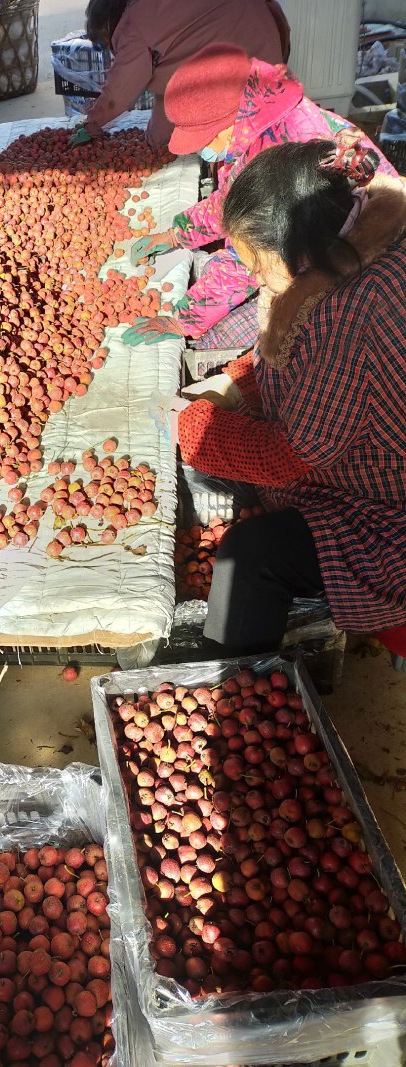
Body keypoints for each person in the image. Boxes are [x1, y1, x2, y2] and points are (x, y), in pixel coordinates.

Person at [170, 135, 406, 656]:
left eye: (256, 265)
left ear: (295, 248)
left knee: (249, 554)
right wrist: (236, 381)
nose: (254, 278)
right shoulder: (355, 241)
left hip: (388, 510)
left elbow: (289, 457)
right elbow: (281, 356)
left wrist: (193, 428)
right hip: (362, 460)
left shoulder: (352, 310)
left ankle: (230, 693)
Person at [124, 44, 398, 350]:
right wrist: (176, 234)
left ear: (233, 120)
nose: (204, 150)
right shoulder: (261, 125)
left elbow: (255, 255)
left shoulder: (291, 145)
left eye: (207, 139)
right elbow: (231, 201)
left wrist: (186, 320)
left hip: (354, 259)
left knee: (267, 338)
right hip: (310, 244)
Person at [70, 0, 289, 149]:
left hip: (248, 49)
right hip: (254, 30)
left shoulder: (132, 27)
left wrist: (92, 124)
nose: (110, 51)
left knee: (239, 135)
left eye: (105, 44)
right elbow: (171, 73)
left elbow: (118, 92)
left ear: (110, 27)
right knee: (161, 138)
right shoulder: (145, 10)